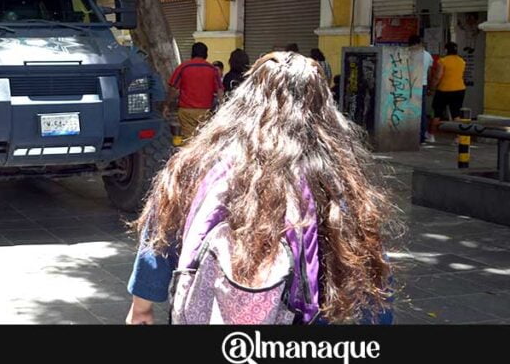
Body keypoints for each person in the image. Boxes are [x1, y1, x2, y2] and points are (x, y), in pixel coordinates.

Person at [126, 51, 396, 325]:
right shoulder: (334, 178)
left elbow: (160, 233)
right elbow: (367, 268)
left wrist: (141, 306)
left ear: (244, 97)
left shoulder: (198, 164)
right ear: (323, 107)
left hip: (208, 310)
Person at [167, 42, 223, 141]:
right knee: (203, 139)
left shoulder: (183, 67)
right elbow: (219, 90)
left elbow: (173, 89)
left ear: (192, 53)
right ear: (206, 54)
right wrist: (221, 107)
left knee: (188, 139)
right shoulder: (212, 69)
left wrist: (167, 105)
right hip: (205, 111)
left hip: (186, 111)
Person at [432, 41, 467, 122]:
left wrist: (432, 87)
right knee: (456, 114)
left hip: (444, 90)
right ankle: (459, 133)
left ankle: (431, 133)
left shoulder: (442, 61)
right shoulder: (462, 61)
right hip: (460, 89)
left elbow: (437, 77)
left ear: (446, 50)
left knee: (437, 114)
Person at [408, 35, 434, 144]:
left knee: (410, 110)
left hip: (411, 85)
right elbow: (429, 72)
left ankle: (411, 135)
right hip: (423, 84)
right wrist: (430, 87)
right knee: (422, 111)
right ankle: (422, 136)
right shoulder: (427, 55)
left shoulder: (409, 54)